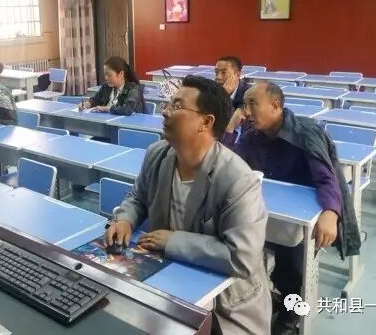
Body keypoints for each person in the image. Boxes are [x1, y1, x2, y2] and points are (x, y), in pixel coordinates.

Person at [105, 75, 271, 335]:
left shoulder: (238, 179)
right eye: (168, 104)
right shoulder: (157, 154)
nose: (165, 111)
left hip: (226, 303)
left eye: (177, 106)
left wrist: (173, 242)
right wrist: (125, 218)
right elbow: (138, 197)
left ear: (206, 122)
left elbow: (242, 257)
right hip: (169, 279)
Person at [222, 82, 360, 335]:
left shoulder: (305, 133)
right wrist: (230, 129)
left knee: (293, 269)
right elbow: (229, 165)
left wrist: (331, 212)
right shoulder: (252, 136)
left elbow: (327, 178)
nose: (246, 111)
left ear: (276, 106)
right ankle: (270, 297)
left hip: (300, 220)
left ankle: (291, 314)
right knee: (243, 251)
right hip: (267, 212)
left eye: (253, 103)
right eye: (244, 104)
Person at [80, 56, 144, 116]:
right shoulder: (106, 87)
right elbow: (95, 100)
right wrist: (87, 104)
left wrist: (106, 109)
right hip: (105, 120)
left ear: (121, 74)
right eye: (105, 75)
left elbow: (127, 109)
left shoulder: (133, 88)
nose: (106, 78)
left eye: (109, 75)